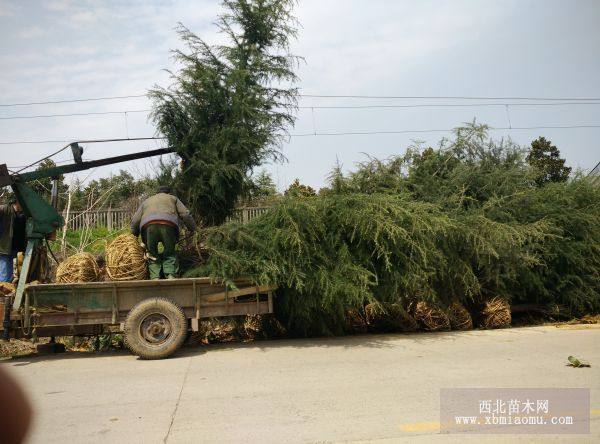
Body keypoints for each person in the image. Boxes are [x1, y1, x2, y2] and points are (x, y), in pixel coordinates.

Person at [130, 186, 196, 279]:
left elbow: (135, 220)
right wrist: (193, 229)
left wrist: (133, 235)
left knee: (152, 253)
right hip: (168, 224)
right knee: (170, 251)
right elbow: (185, 214)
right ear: (168, 193)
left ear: (157, 193)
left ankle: (155, 277)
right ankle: (170, 275)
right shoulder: (173, 198)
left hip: (148, 226)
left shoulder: (147, 201)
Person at [0, 199, 26, 283]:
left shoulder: (25, 213)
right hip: (5, 247)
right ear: (17, 202)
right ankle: (3, 294)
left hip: (19, 248)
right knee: (5, 274)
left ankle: (10, 291)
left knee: (15, 273)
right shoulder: (5, 209)